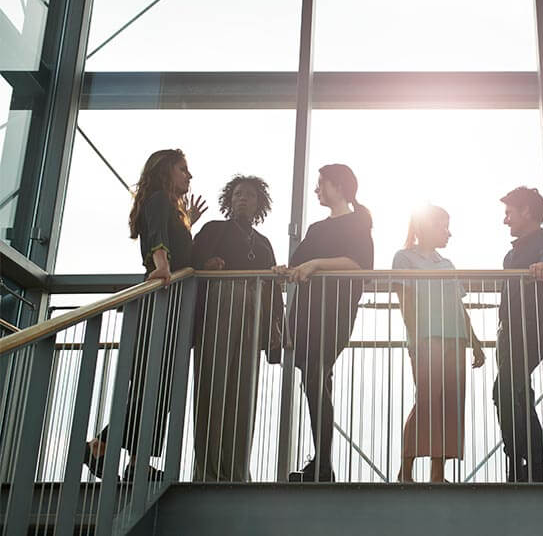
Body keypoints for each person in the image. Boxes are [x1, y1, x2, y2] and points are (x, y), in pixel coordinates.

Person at [84, 149, 206, 481]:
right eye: (183, 169)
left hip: (174, 301)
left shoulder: (169, 207)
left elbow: (168, 235)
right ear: (166, 171)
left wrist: (187, 224)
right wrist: (163, 266)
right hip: (162, 300)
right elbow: (157, 238)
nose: (189, 176)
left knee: (159, 384)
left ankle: (127, 457)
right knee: (155, 381)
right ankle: (108, 448)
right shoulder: (157, 200)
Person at [272, 163, 374, 482]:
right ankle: (321, 463)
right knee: (314, 379)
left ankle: (323, 464)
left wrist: (316, 264)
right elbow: (298, 265)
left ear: (339, 187)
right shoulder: (317, 229)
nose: (317, 189)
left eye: (322, 183)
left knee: (316, 376)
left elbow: (360, 266)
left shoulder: (358, 221)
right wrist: (285, 270)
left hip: (335, 309)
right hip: (307, 310)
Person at [191, 175, 285, 481]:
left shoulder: (264, 243)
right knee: (212, 386)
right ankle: (208, 471)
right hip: (220, 305)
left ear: (260, 203)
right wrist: (207, 265)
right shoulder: (214, 230)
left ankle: (236, 471)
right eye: (237, 194)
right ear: (229, 200)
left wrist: (276, 331)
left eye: (250, 195)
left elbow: (272, 289)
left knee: (245, 392)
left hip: (253, 311)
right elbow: (191, 263)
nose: (243, 199)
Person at [392, 205, 485, 483]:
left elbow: (458, 305)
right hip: (426, 337)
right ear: (425, 227)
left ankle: (437, 474)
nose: (448, 233)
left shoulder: (447, 264)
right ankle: (405, 472)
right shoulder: (404, 258)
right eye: (443, 226)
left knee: (450, 404)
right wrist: (415, 336)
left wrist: (475, 341)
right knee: (427, 401)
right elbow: (404, 299)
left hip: (455, 337)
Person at [495, 187, 543, 483]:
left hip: (529, 330)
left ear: (526, 211)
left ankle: (528, 463)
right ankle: (530, 464)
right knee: (518, 395)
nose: (505, 220)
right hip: (507, 332)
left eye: (510, 212)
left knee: (505, 392)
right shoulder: (512, 253)